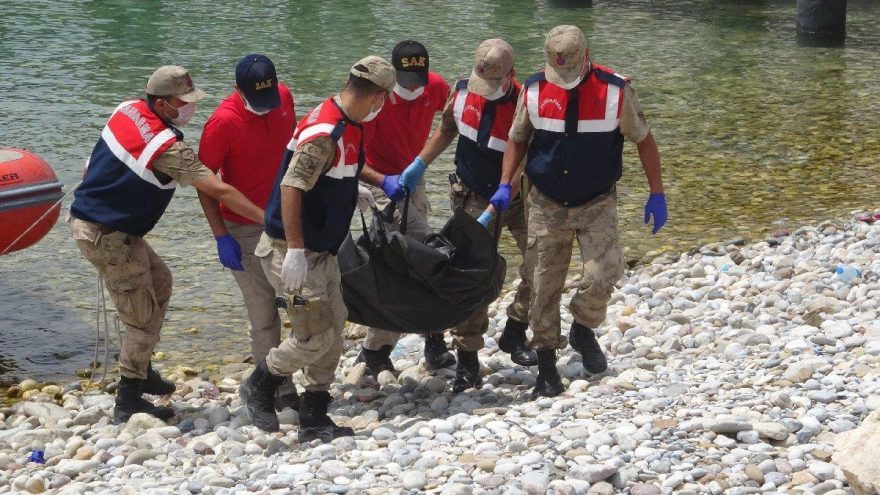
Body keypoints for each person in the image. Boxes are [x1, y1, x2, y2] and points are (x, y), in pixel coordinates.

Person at [69, 66, 266, 422]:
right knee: (140, 319)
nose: (189, 108)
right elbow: (217, 188)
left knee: (160, 282)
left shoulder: (127, 108)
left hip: (106, 225)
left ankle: (141, 368)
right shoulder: (168, 149)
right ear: (161, 104)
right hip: (107, 235)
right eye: (182, 102)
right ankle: (128, 399)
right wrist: (269, 220)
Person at [491, 25, 667, 398]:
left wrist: (657, 193)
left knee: (606, 270)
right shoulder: (535, 90)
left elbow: (644, 139)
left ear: (587, 57)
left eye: (571, 71)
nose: (565, 80)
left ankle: (583, 328)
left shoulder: (616, 91)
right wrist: (505, 185)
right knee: (542, 286)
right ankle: (546, 367)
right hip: (546, 201)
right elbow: (517, 139)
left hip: (596, 201)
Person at [238, 55, 396, 442]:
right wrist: (294, 249)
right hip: (294, 252)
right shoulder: (325, 132)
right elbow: (292, 186)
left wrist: (360, 187)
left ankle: (314, 416)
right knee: (314, 337)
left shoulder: (348, 123)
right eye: (384, 100)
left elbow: (339, 168)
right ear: (377, 97)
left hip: (324, 250)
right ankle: (260, 382)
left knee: (335, 329)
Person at [405, 39, 538, 393]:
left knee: (543, 265)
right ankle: (467, 358)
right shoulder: (462, 92)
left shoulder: (527, 101)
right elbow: (447, 129)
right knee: (470, 276)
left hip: (519, 196)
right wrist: (420, 163)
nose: (486, 92)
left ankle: (515, 329)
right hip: (473, 197)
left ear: (511, 75)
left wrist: (504, 196)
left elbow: (526, 156)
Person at [197, 54, 300, 411]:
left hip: (288, 217)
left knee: (301, 300)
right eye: (256, 102)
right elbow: (204, 183)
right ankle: (275, 385)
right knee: (262, 311)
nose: (264, 108)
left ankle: (304, 371)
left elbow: (296, 153)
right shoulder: (221, 123)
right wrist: (220, 235)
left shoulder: (284, 98)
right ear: (237, 91)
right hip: (244, 226)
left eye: (267, 99)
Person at [354, 40, 455, 375]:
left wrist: (422, 161)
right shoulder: (374, 98)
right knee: (398, 259)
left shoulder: (437, 86)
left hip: (414, 175)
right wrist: (383, 181)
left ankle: (430, 338)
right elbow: (352, 154)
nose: (413, 87)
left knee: (420, 255)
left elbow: (450, 124)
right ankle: (377, 348)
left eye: (418, 79)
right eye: (406, 80)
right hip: (378, 179)